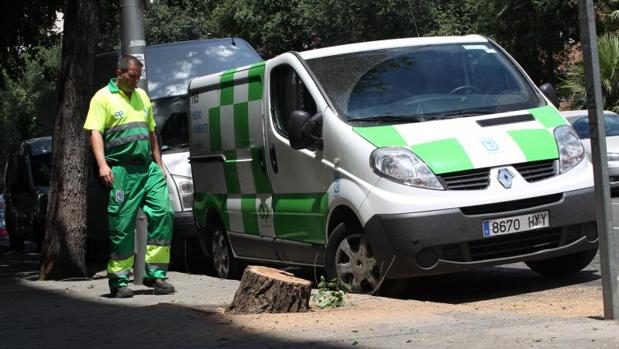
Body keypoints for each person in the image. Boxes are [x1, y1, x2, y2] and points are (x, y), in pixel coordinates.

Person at [84, 55, 175, 298]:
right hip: (121, 171)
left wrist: (160, 165)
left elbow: (151, 132)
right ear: (120, 73)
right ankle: (119, 280)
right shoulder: (102, 97)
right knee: (122, 226)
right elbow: (95, 133)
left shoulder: (142, 96)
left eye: (139, 76)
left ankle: (156, 274)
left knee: (164, 212)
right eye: (133, 76)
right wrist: (103, 165)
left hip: (147, 169)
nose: (136, 81)